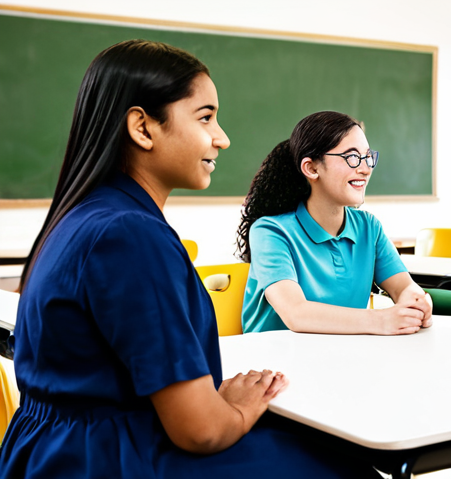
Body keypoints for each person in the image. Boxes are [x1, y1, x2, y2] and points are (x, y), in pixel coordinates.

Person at [0, 40, 378, 478]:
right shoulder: (130, 234)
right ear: (143, 128)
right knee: (344, 467)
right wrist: (233, 409)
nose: (223, 137)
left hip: (52, 450)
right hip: (106, 459)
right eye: (205, 118)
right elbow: (199, 431)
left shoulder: (86, 215)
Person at [236, 111, 432, 334]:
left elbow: (404, 286)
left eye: (368, 157)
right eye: (351, 157)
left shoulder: (369, 227)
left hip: (341, 357)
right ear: (311, 168)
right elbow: (296, 313)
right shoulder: (270, 231)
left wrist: (417, 301)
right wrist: (379, 320)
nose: (366, 168)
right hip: (274, 363)